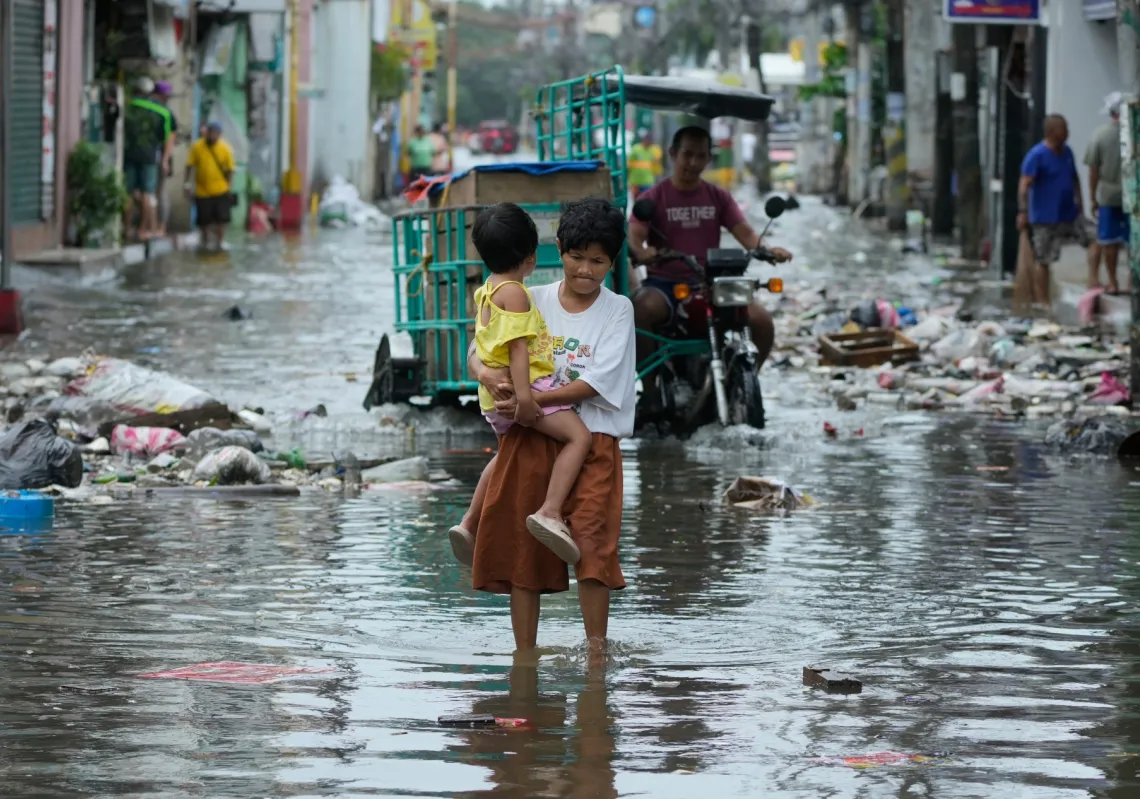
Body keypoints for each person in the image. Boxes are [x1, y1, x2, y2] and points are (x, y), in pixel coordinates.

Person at [464, 196, 634, 656]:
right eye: (576, 258)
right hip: (531, 436)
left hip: (593, 439)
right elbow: (478, 349)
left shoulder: (618, 310)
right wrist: (488, 377)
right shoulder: (527, 296)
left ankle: (595, 651)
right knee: (525, 551)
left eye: (597, 261)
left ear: (612, 262)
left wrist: (531, 400)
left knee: (593, 546)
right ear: (558, 251)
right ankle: (525, 655)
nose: (585, 270)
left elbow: (596, 383)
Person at [448, 203, 594, 566]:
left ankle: (469, 523)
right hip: (523, 391)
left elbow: (482, 343)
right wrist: (529, 402)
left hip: (491, 398)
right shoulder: (516, 293)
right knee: (579, 438)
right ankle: (550, 510)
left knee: (504, 457)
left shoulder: (486, 290)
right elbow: (517, 351)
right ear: (530, 256)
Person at [627, 126, 792, 414]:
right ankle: (651, 392)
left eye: (700, 156)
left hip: (711, 284)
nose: (693, 163)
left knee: (762, 322)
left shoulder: (719, 197)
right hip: (667, 285)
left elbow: (747, 234)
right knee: (641, 309)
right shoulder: (654, 198)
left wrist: (768, 250)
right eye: (687, 155)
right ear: (673, 154)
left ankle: (743, 381)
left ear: (708, 159)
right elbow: (634, 235)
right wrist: (642, 252)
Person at [1018, 114, 1093, 306]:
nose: (1067, 133)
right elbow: (1025, 185)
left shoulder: (1067, 152)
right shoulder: (1037, 155)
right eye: (1064, 129)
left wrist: (1081, 206)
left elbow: (1075, 179)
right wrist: (1023, 211)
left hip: (1069, 213)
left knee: (1095, 238)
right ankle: (1043, 301)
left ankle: (1093, 280)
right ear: (1052, 132)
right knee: (1043, 259)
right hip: (1045, 218)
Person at [1085, 92, 1127, 293]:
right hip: (1134, 197)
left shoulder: (1100, 136)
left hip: (1109, 197)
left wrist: (1092, 198)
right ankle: (1133, 282)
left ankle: (1113, 282)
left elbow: (1093, 171)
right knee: (1133, 240)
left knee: (1109, 241)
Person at [122, 77, 167, 240]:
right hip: (149, 156)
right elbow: (165, 137)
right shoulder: (160, 111)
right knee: (147, 193)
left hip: (129, 154)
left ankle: (127, 229)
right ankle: (142, 229)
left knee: (127, 192)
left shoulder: (128, 107)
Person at [184, 121, 235, 252]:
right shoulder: (197, 147)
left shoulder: (225, 148)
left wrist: (229, 187)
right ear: (207, 133)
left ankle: (220, 242)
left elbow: (230, 169)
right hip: (202, 191)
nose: (213, 136)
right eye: (211, 133)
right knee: (203, 220)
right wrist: (187, 184)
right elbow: (189, 165)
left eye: (216, 134)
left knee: (221, 219)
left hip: (221, 189)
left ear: (219, 135)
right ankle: (205, 241)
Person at [150, 81, 177, 236]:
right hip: (149, 156)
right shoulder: (152, 110)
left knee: (160, 192)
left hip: (160, 158)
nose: (166, 99)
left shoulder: (166, 114)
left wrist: (165, 160)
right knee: (149, 193)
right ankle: (153, 226)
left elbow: (171, 138)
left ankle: (161, 226)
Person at [627, 129, 662, 199]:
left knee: (647, 200)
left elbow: (657, 163)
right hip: (636, 181)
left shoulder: (653, 150)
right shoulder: (636, 149)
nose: (649, 142)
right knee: (636, 201)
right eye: (648, 140)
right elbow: (629, 164)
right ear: (644, 140)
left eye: (650, 141)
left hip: (648, 181)